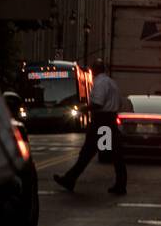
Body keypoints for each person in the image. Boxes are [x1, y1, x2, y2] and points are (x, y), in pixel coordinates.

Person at [54, 59, 126, 195]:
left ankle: (69, 179)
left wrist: (83, 108)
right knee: (114, 153)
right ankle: (120, 184)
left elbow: (98, 103)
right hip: (110, 119)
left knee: (89, 152)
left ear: (94, 70)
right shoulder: (112, 82)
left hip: (101, 121)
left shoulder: (100, 83)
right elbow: (119, 102)